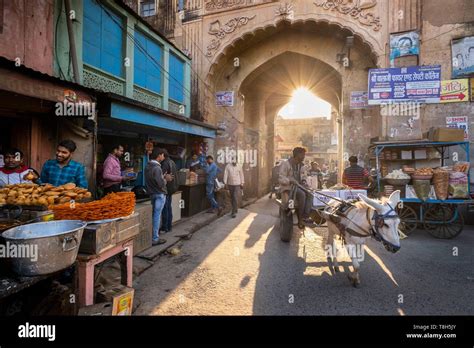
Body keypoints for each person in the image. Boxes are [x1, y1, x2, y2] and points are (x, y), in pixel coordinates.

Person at [278, 147, 316, 229]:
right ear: (297, 154)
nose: (304, 157)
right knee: (302, 194)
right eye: (303, 155)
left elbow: (304, 176)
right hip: (288, 187)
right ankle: (301, 218)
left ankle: (306, 216)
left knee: (310, 194)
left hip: (299, 186)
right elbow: (281, 177)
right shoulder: (286, 164)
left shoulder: (301, 165)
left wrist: (304, 181)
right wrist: (290, 180)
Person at [145, 148, 173, 246]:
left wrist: (162, 177)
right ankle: (155, 238)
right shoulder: (157, 168)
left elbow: (153, 180)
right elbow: (161, 184)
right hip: (159, 194)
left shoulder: (148, 166)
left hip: (152, 193)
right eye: (163, 155)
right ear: (159, 155)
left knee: (154, 215)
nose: (163, 157)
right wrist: (166, 179)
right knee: (157, 216)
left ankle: (153, 236)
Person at [160, 149, 178, 233]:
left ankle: (165, 227)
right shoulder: (172, 162)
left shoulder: (165, 163)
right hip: (171, 188)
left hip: (167, 189)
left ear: (163, 155)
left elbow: (161, 176)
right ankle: (169, 226)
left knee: (165, 207)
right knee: (168, 207)